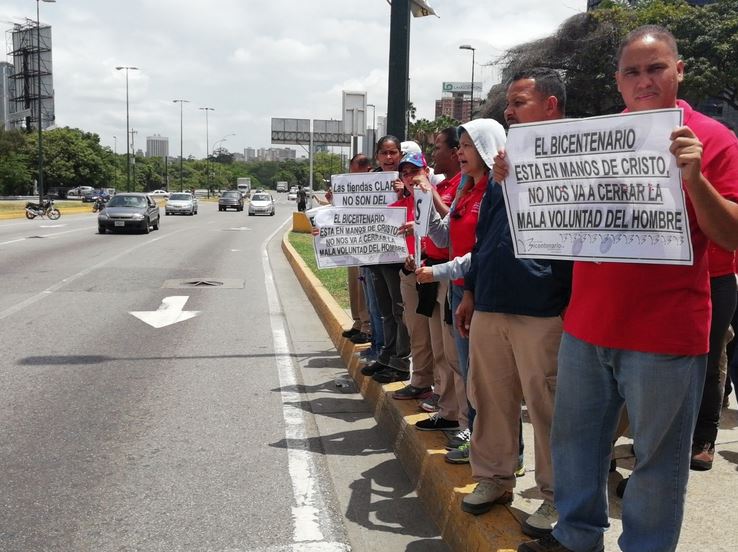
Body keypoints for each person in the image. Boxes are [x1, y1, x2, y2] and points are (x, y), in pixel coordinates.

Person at [519, 26, 738, 552]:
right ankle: (575, 538)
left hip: (665, 336)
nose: (644, 80)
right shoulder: (592, 139)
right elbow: (553, 218)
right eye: (633, 71)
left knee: (657, 465)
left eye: (656, 67)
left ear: (678, 71)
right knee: (573, 448)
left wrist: (694, 180)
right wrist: (516, 180)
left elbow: (730, 233)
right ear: (618, 81)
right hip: (587, 328)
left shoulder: (714, 138)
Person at [454, 73, 571, 540]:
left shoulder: (575, 157)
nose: (509, 111)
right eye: (509, 103)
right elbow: (488, 237)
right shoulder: (506, 165)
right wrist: (470, 292)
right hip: (491, 306)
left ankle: (556, 496)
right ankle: (496, 478)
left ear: (550, 105)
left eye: (518, 102)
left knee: (547, 408)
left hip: (542, 309)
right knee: (491, 398)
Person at [361, 135, 412, 383]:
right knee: (385, 311)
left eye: (393, 153)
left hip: (398, 258)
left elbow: (417, 212)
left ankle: (401, 361)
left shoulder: (407, 179)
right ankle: (387, 355)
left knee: (399, 309)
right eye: (384, 153)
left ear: (400, 154)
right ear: (378, 156)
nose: (389, 158)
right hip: (375, 256)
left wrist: (405, 193)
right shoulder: (367, 181)